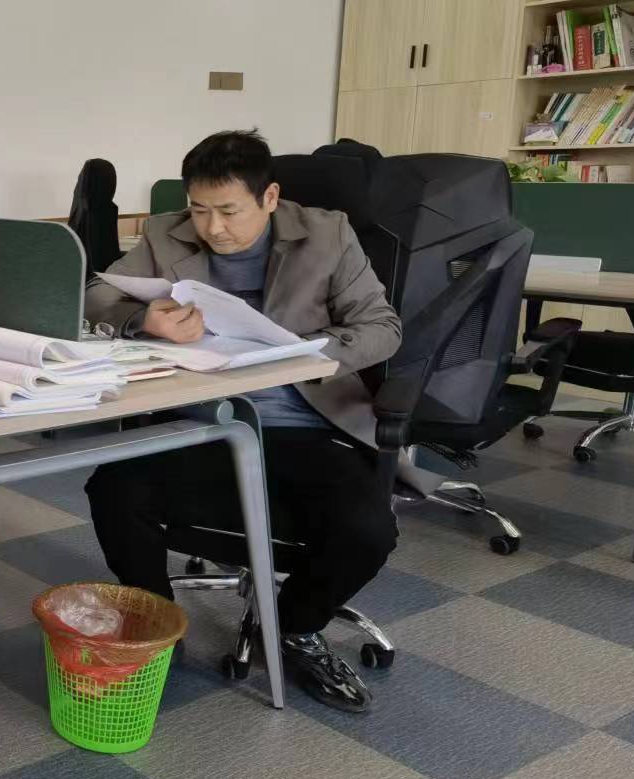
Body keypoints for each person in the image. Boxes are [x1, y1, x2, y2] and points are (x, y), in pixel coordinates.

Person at [82, 130, 402, 712]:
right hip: (202, 419)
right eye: (199, 209)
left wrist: (307, 354)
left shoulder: (328, 234)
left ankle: (296, 626)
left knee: (368, 531)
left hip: (303, 423)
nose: (213, 228)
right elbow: (96, 294)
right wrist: (143, 320)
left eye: (229, 211)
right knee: (113, 490)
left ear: (270, 197)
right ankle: (159, 624)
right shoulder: (165, 233)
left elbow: (383, 327)